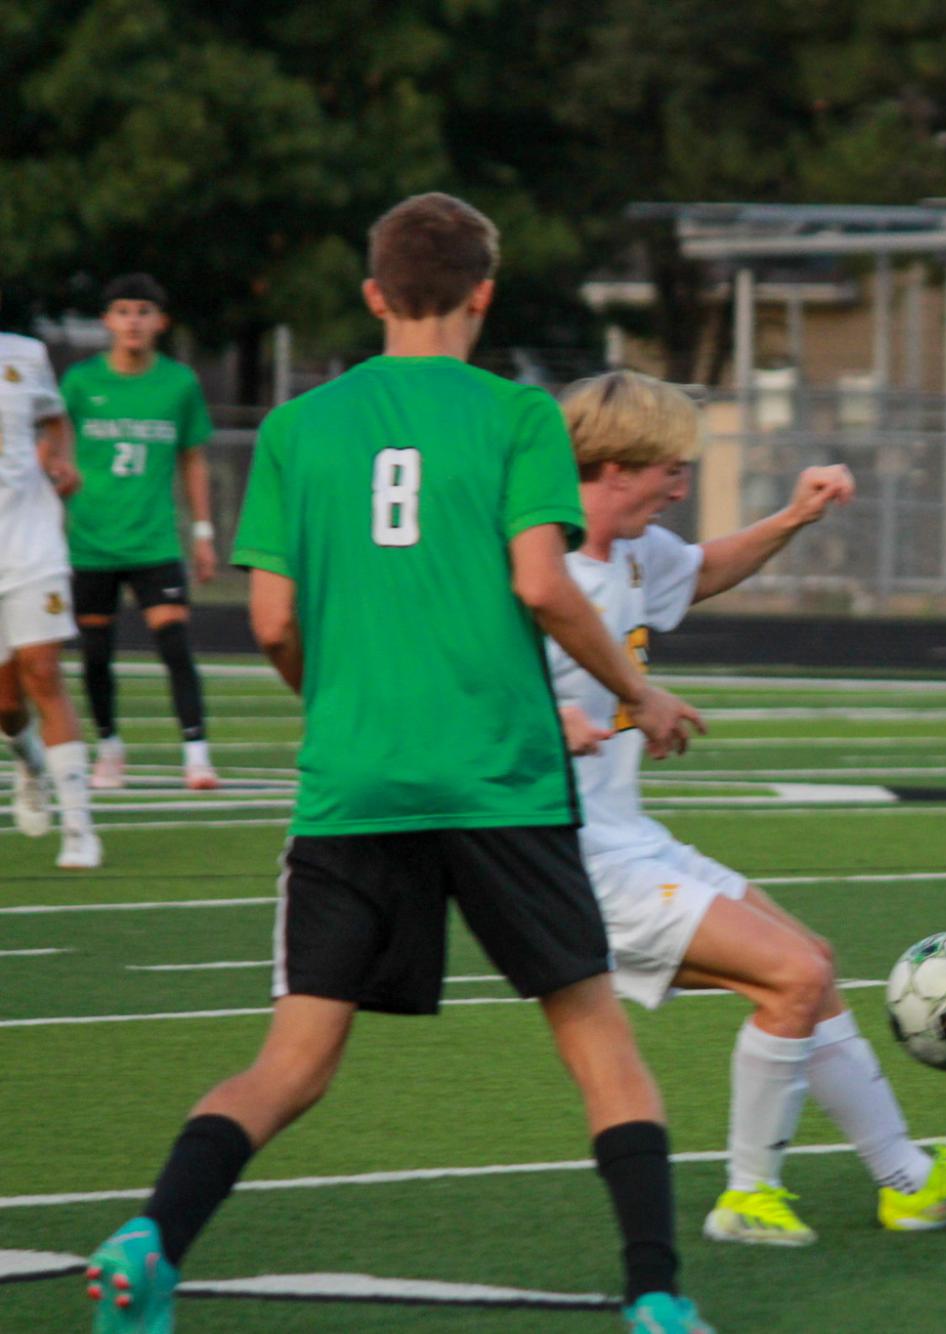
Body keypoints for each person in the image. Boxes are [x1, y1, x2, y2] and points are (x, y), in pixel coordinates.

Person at [82, 194, 712, 1334]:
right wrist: (639, 690)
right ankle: (658, 1295)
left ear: (373, 294)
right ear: (485, 293)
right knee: (598, 1044)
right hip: (499, 778)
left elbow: (271, 621)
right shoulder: (519, 415)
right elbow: (539, 583)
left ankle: (150, 1237)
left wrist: (350, 708)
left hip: (354, 783)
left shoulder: (296, 427)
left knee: (293, 1063)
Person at [547, 369, 946, 1248]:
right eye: (670, 467)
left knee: (808, 960)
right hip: (569, 860)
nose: (682, 485)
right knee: (794, 978)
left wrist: (792, 519)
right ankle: (748, 1196)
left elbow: (698, 572)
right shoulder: (537, 574)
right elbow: (460, 696)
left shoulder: (629, 550)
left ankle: (907, 1182)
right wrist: (553, 721)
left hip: (628, 838)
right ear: (614, 466)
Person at [60, 274, 220, 790]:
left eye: (143, 311)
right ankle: (109, 746)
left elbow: (192, 460)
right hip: (91, 539)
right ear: (107, 320)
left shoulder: (179, 384)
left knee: (174, 640)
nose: (133, 320)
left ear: (161, 322)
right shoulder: (81, 384)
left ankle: (196, 754)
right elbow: (56, 452)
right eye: (123, 310)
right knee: (96, 651)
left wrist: (202, 531)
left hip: (153, 540)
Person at [0, 308, 100, 869]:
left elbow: (54, 419)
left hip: (31, 540)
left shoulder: (24, 354)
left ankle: (80, 827)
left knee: (43, 672)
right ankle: (29, 761)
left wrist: (59, 462)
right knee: (6, 704)